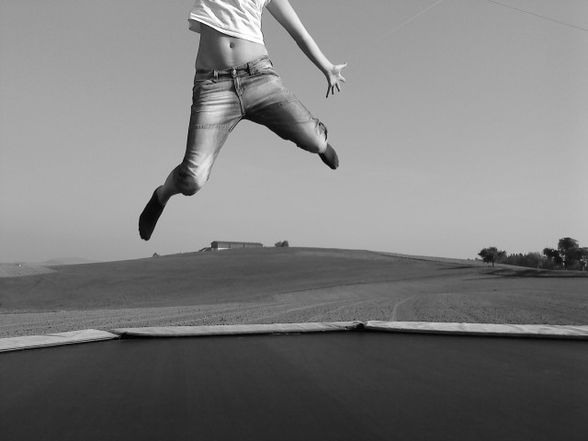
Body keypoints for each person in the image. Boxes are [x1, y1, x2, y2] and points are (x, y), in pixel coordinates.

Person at [139, 0, 347, 240]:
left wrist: (327, 67)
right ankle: (161, 195)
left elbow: (300, 34)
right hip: (214, 87)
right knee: (192, 180)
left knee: (314, 141)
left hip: (259, 78)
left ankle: (321, 143)